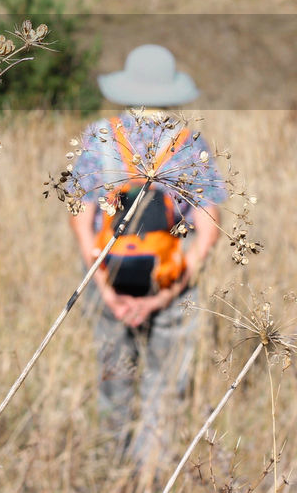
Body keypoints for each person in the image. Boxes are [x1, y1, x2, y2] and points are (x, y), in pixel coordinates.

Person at [68, 44, 225, 479]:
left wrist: (104, 289)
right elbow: (207, 232)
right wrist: (164, 297)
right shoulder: (190, 144)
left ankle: (110, 469)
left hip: (107, 274)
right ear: (173, 95)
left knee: (113, 374)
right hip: (170, 279)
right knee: (163, 383)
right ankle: (152, 473)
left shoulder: (100, 137)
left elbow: (82, 222)